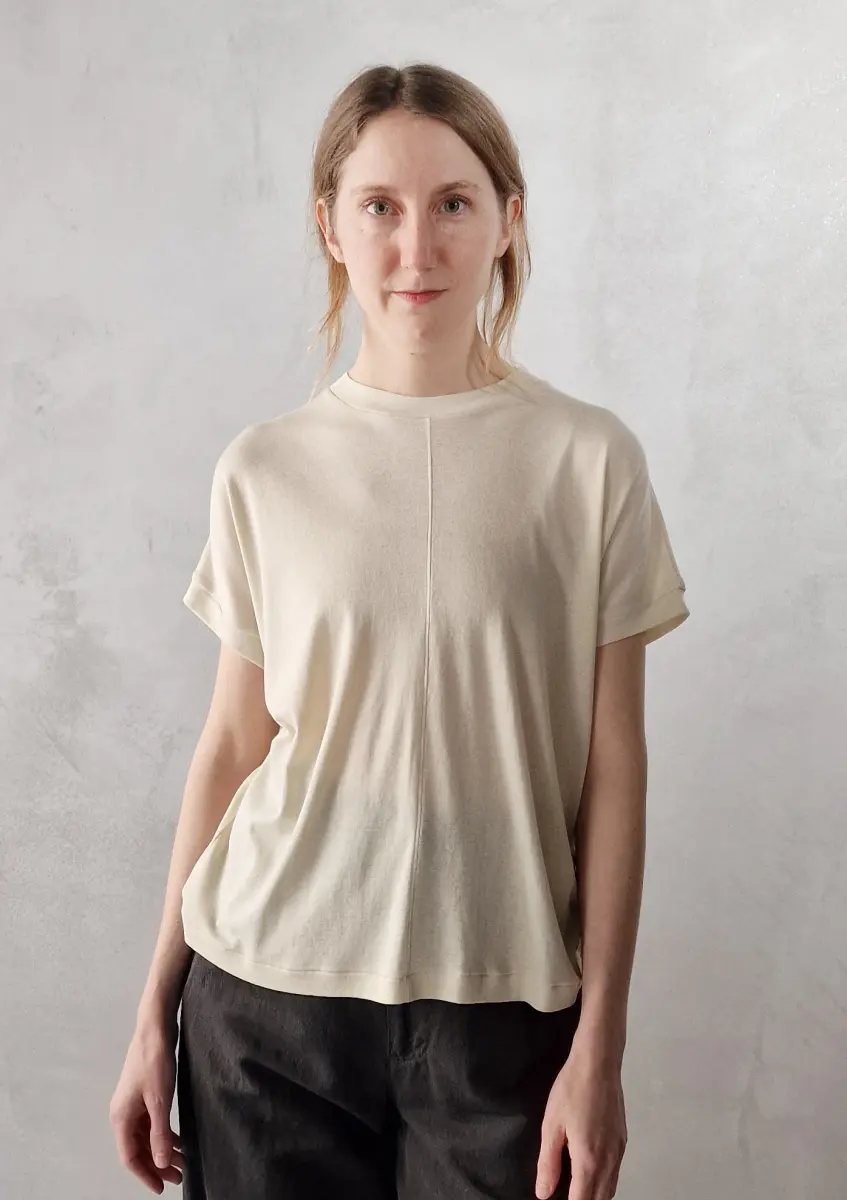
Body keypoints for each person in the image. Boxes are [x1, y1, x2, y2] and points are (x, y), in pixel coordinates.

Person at [109, 61, 690, 1200]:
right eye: (378, 205)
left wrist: (601, 1048)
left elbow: (613, 765)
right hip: (264, 1014)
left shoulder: (588, 461)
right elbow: (231, 748)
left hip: (501, 1022)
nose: (415, 247)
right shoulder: (264, 469)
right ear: (329, 225)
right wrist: (150, 1011)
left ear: (507, 220)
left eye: (452, 203)